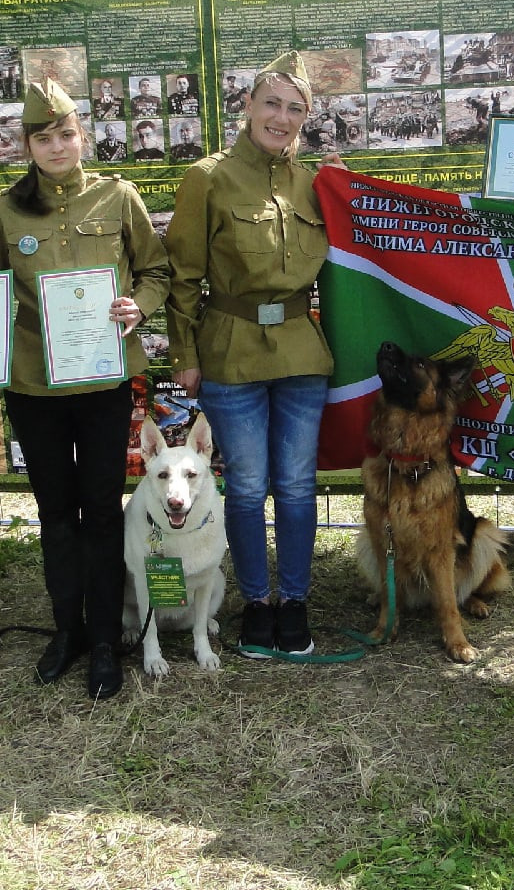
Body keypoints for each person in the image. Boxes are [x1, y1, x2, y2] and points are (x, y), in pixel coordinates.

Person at [0, 79, 169, 699]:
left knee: (102, 513)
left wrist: (136, 306)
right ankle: (68, 631)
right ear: (28, 145)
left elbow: (157, 271)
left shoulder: (118, 197)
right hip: (34, 387)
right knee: (56, 515)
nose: (57, 146)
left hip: (104, 380)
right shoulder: (5, 211)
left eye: (66, 133)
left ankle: (107, 641)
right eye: (43, 137)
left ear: (82, 135)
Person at [165, 50, 337, 656]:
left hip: (299, 353)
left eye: (295, 109)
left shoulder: (316, 183)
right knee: (245, 488)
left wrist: (345, 186)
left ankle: (294, 601)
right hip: (231, 350)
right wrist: (183, 354)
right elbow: (182, 274)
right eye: (272, 103)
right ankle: (255, 601)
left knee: (294, 485)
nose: (282, 118)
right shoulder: (208, 178)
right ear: (247, 106)